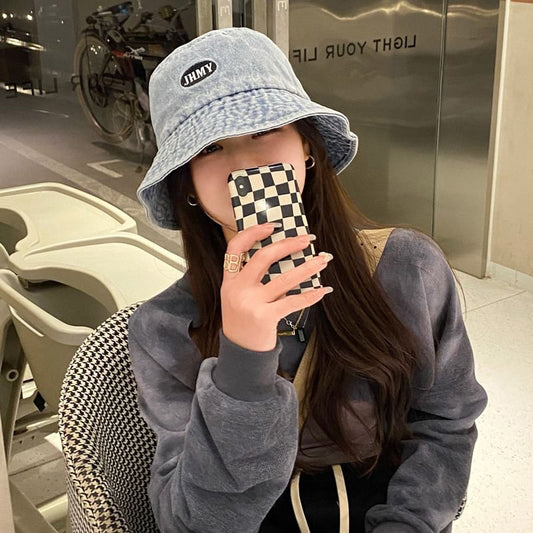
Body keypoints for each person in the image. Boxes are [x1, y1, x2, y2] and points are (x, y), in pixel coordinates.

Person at [129, 27, 487, 533]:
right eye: (210, 148)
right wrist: (243, 362)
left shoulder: (407, 268)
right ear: (186, 184)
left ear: (307, 146)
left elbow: (446, 425)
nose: (244, 164)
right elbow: (194, 522)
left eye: (263, 129)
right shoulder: (164, 329)